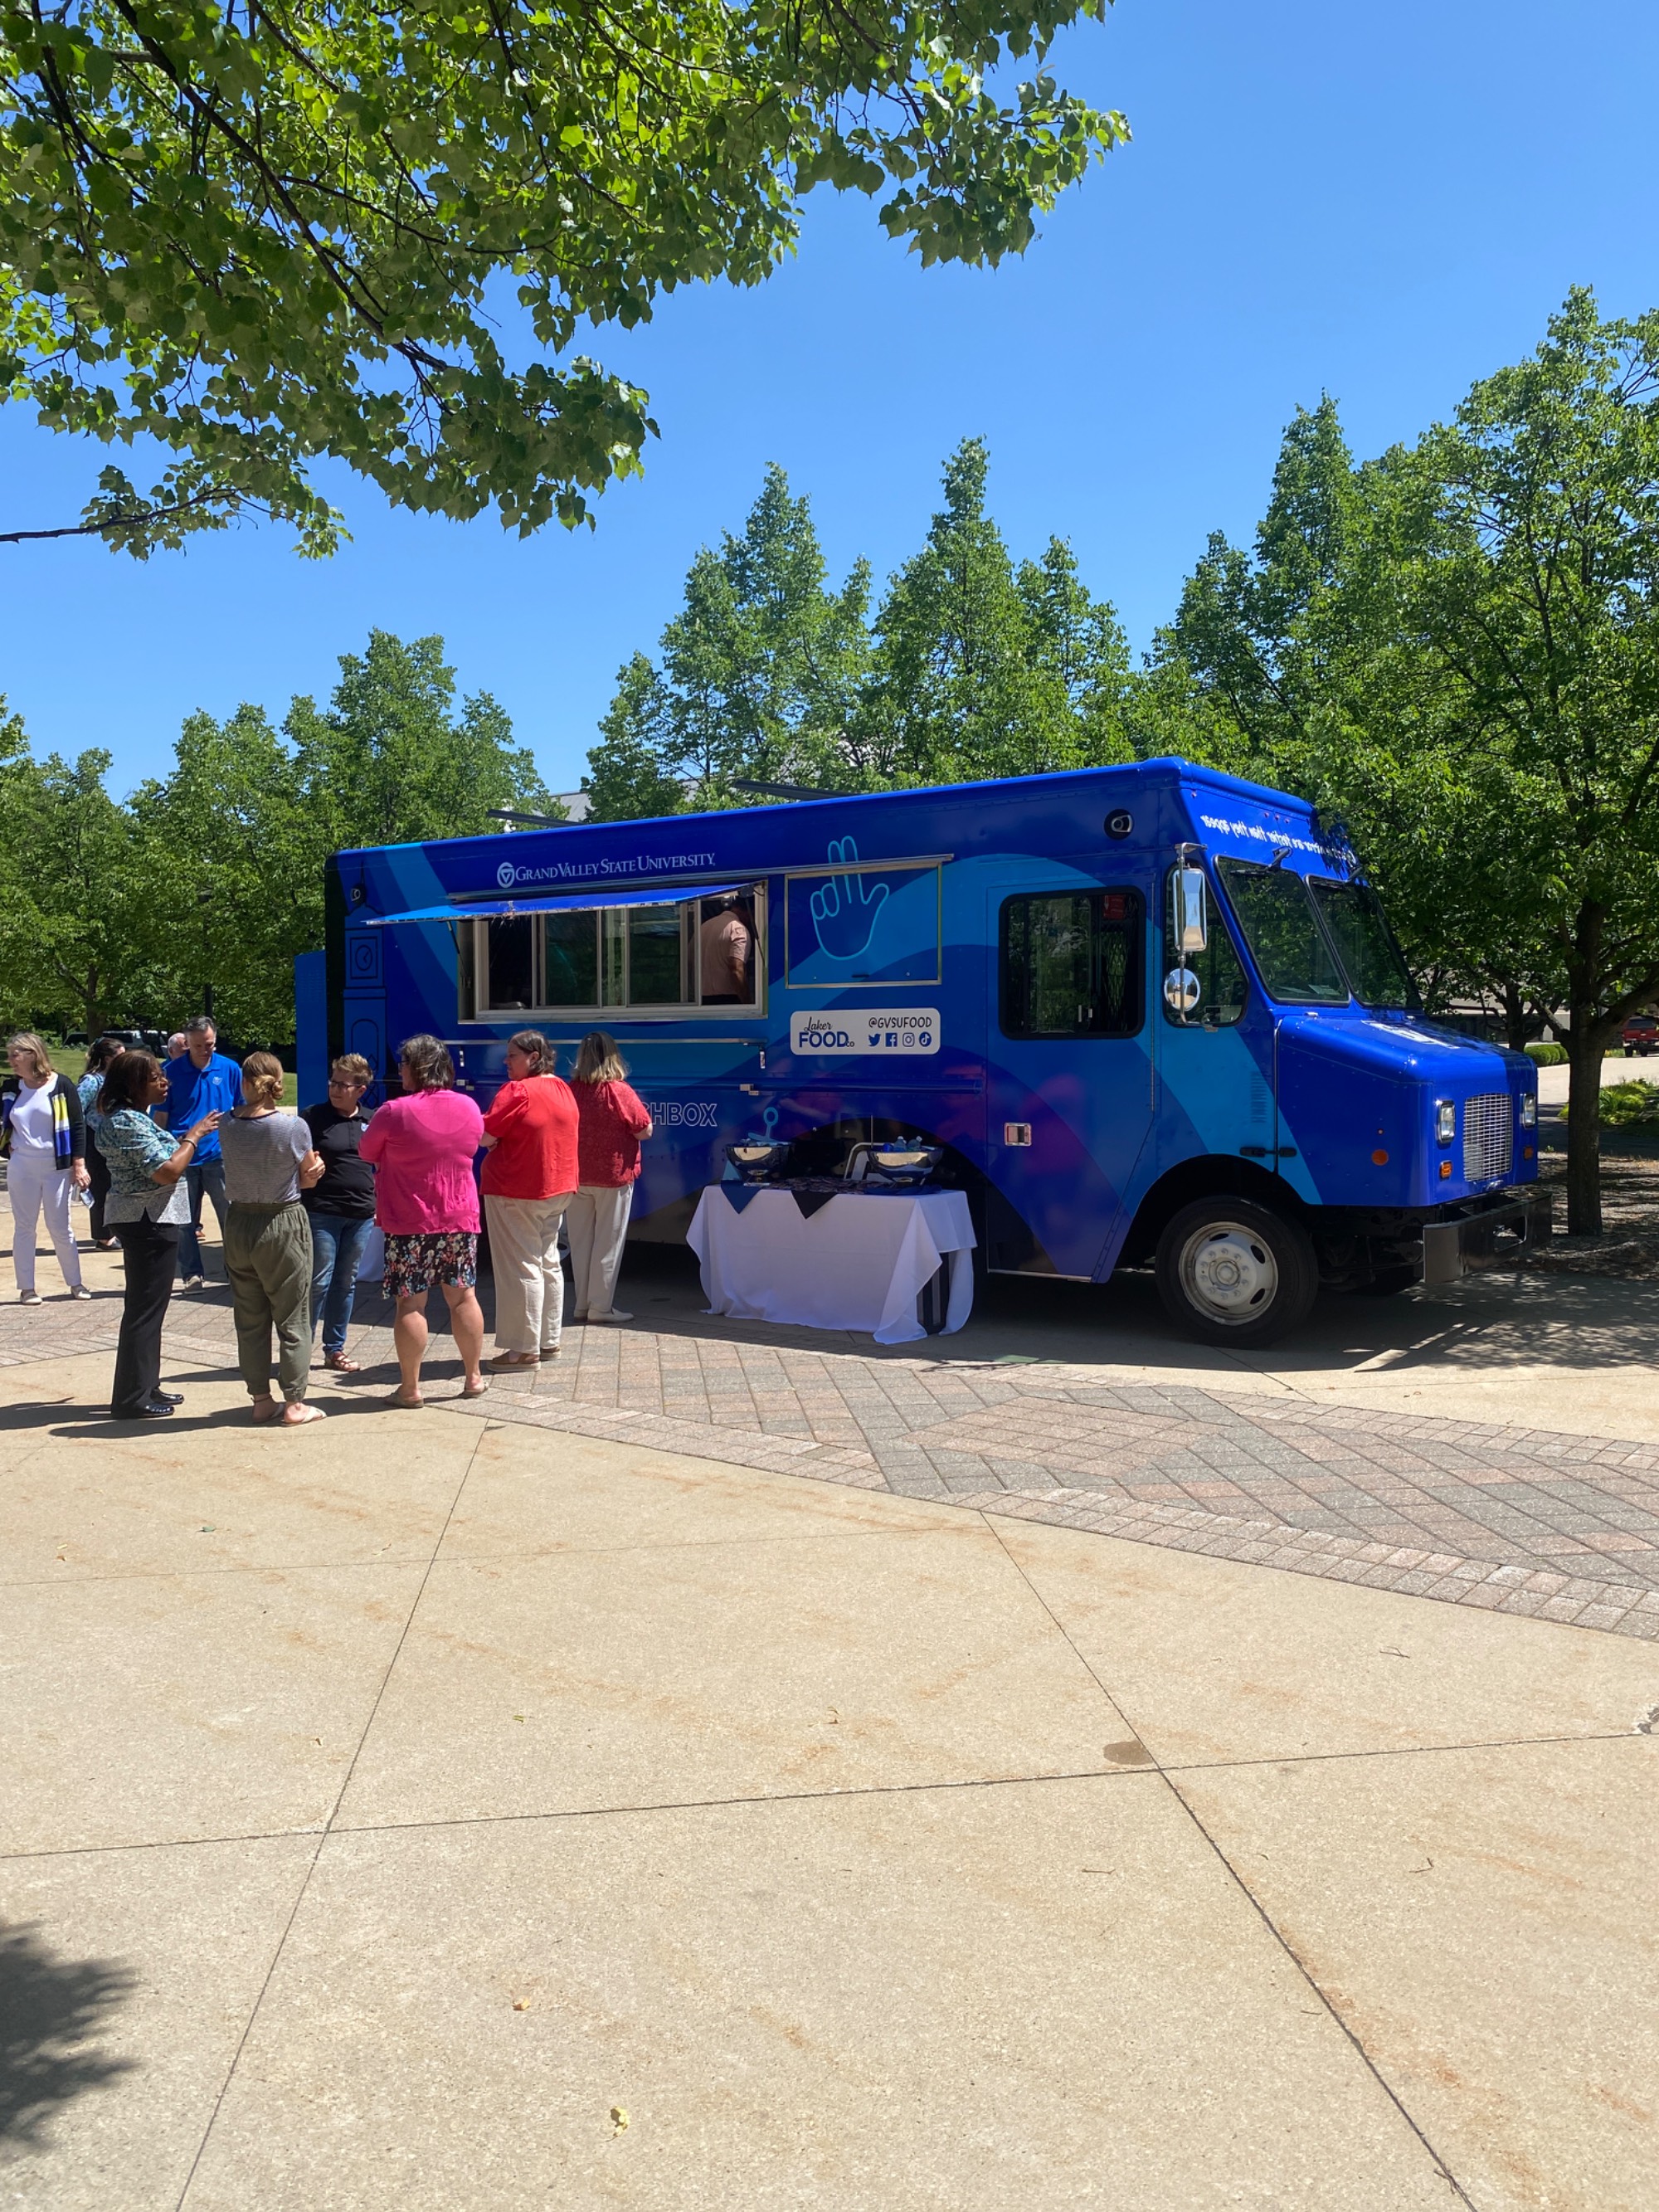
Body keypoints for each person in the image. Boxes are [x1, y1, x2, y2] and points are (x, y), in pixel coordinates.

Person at [359, 1034, 488, 1407]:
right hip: (460, 1218)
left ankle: (411, 1388)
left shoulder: (394, 1111)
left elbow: (367, 1150)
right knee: (463, 1297)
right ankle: (473, 1377)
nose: (399, 1072)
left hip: (409, 1221)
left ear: (414, 1068)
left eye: (402, 1065)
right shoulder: (468, 1107)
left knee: (410, 1305)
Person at [95, 1052, 221, 1419]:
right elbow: (166, 1171)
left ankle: (147, 1385)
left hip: (153, 1219)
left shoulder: (136, 1119)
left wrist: (185, 1139)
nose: (164, 1082)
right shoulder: (126, 1123)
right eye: (155, 1077)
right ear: (133, 1084)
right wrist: (194, 1136)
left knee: (151, 1309)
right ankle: (132, 1399)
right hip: (145, 1221)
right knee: (144, 1311)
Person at [219, 1051, 327, 1426]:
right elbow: (308, 1178)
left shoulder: (228, 1125)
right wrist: (314, 1174)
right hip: (282, 1222)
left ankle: (261, 1399)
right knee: (292, 1316)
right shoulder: (292, 1127)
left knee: (249, 1318)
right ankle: (295, 1402)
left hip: (238, 1222)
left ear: (245, 1082)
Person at [478, 1030, 579, 1371]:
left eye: (513, 1056)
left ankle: (523, 1350)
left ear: (533, 1057)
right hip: (558, 1187)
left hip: (517, 1188)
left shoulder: (518, 1090)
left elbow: (485, 1135)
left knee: (521, 1268)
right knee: (548, 1262)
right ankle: (548, 1340)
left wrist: (493, 1142)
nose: (506, 1062)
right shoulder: (563, 1088)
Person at [566, 1031, 653, 1324]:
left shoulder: (571, 1089)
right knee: (607, 1242)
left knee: (579, 1243)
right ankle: (600, 1308)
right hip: (613, 1176)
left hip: (576, 1176)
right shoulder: (619, 1091)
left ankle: (581, 1304)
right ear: (613, 1055)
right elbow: (644, 1129)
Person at [2, 1034, 92, 1305]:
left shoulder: (61, 1084)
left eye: (15, 1055)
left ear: (33, 1054)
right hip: (22, 1166)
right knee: (24, 1227)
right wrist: (5, 1146)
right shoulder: (11, 1087)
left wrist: (79, 1164)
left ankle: (75, 1283)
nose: (11, 1061)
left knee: (60, 1226)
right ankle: (27, 1288)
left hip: (56, 1166)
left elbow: (77, 1126)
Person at [301, 1054, 377, 1372]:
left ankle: (335, 1349)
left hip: (361, 1214)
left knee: (346, 1283)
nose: (335, 1089)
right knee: (319, 1280)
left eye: (343, 1085)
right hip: (323, 1211)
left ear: (360, 1089)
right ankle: (300, 1349)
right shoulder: (312, 1117)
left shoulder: (372, 1119)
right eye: (333, 1082)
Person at [162, 1016, 242, 1289]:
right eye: (197, 1045)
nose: (204, 1049)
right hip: (183, 1156)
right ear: (187, 1044)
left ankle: (235, 1270)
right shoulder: (171, 1073)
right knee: (185, 1221)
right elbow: (160, 1118)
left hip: (220, 1156)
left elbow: (242, 1110)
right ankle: (191, 1274)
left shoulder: (230, 1069)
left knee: (229, 1217)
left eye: (208, 1044)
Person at [77, 1035, 126, 1250]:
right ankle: (102, 1236)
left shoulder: (114, 1080)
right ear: (107, 1059)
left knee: (114, 1188)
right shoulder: (92, 1081)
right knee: (100, 1188)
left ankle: (113, 1229)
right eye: (120, 1057)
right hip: (93, 1140)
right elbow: (76, 1110)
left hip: (112, 1141)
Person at [698, 894, 755, 1004]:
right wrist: (747, 1002)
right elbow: (736, 970)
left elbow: (690, 961)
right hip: (728, 1000)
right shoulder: (738, 929)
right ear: (749, 912)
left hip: (701, 1000)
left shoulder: (703, 927)